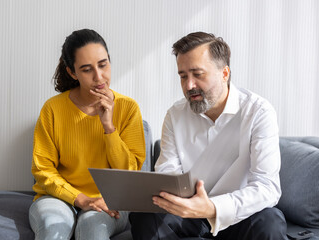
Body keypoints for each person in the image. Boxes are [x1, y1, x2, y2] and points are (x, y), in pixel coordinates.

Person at [130, 32, 288, 240]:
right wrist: (184, 202)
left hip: (238, 215)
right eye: (183, 76)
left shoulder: (258, 111)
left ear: (224, 73)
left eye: (198, 74)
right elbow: (168, 173)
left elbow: (267, 188)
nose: (189, 86)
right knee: (144, 218)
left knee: (270, 222)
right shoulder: (175, 115)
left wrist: (212, 207)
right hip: (188, 214)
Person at [29, 29, 146, 240]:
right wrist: (80, 199)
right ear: (72, 72)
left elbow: (129, 174)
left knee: (94, 230)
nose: (99, 77)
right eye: (86, 69)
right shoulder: (53, 109)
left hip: (111, 200)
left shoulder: (128, 108)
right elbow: (42, 169)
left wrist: (109, 127)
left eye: (103, 65)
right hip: (57, 197)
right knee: (52, 228)